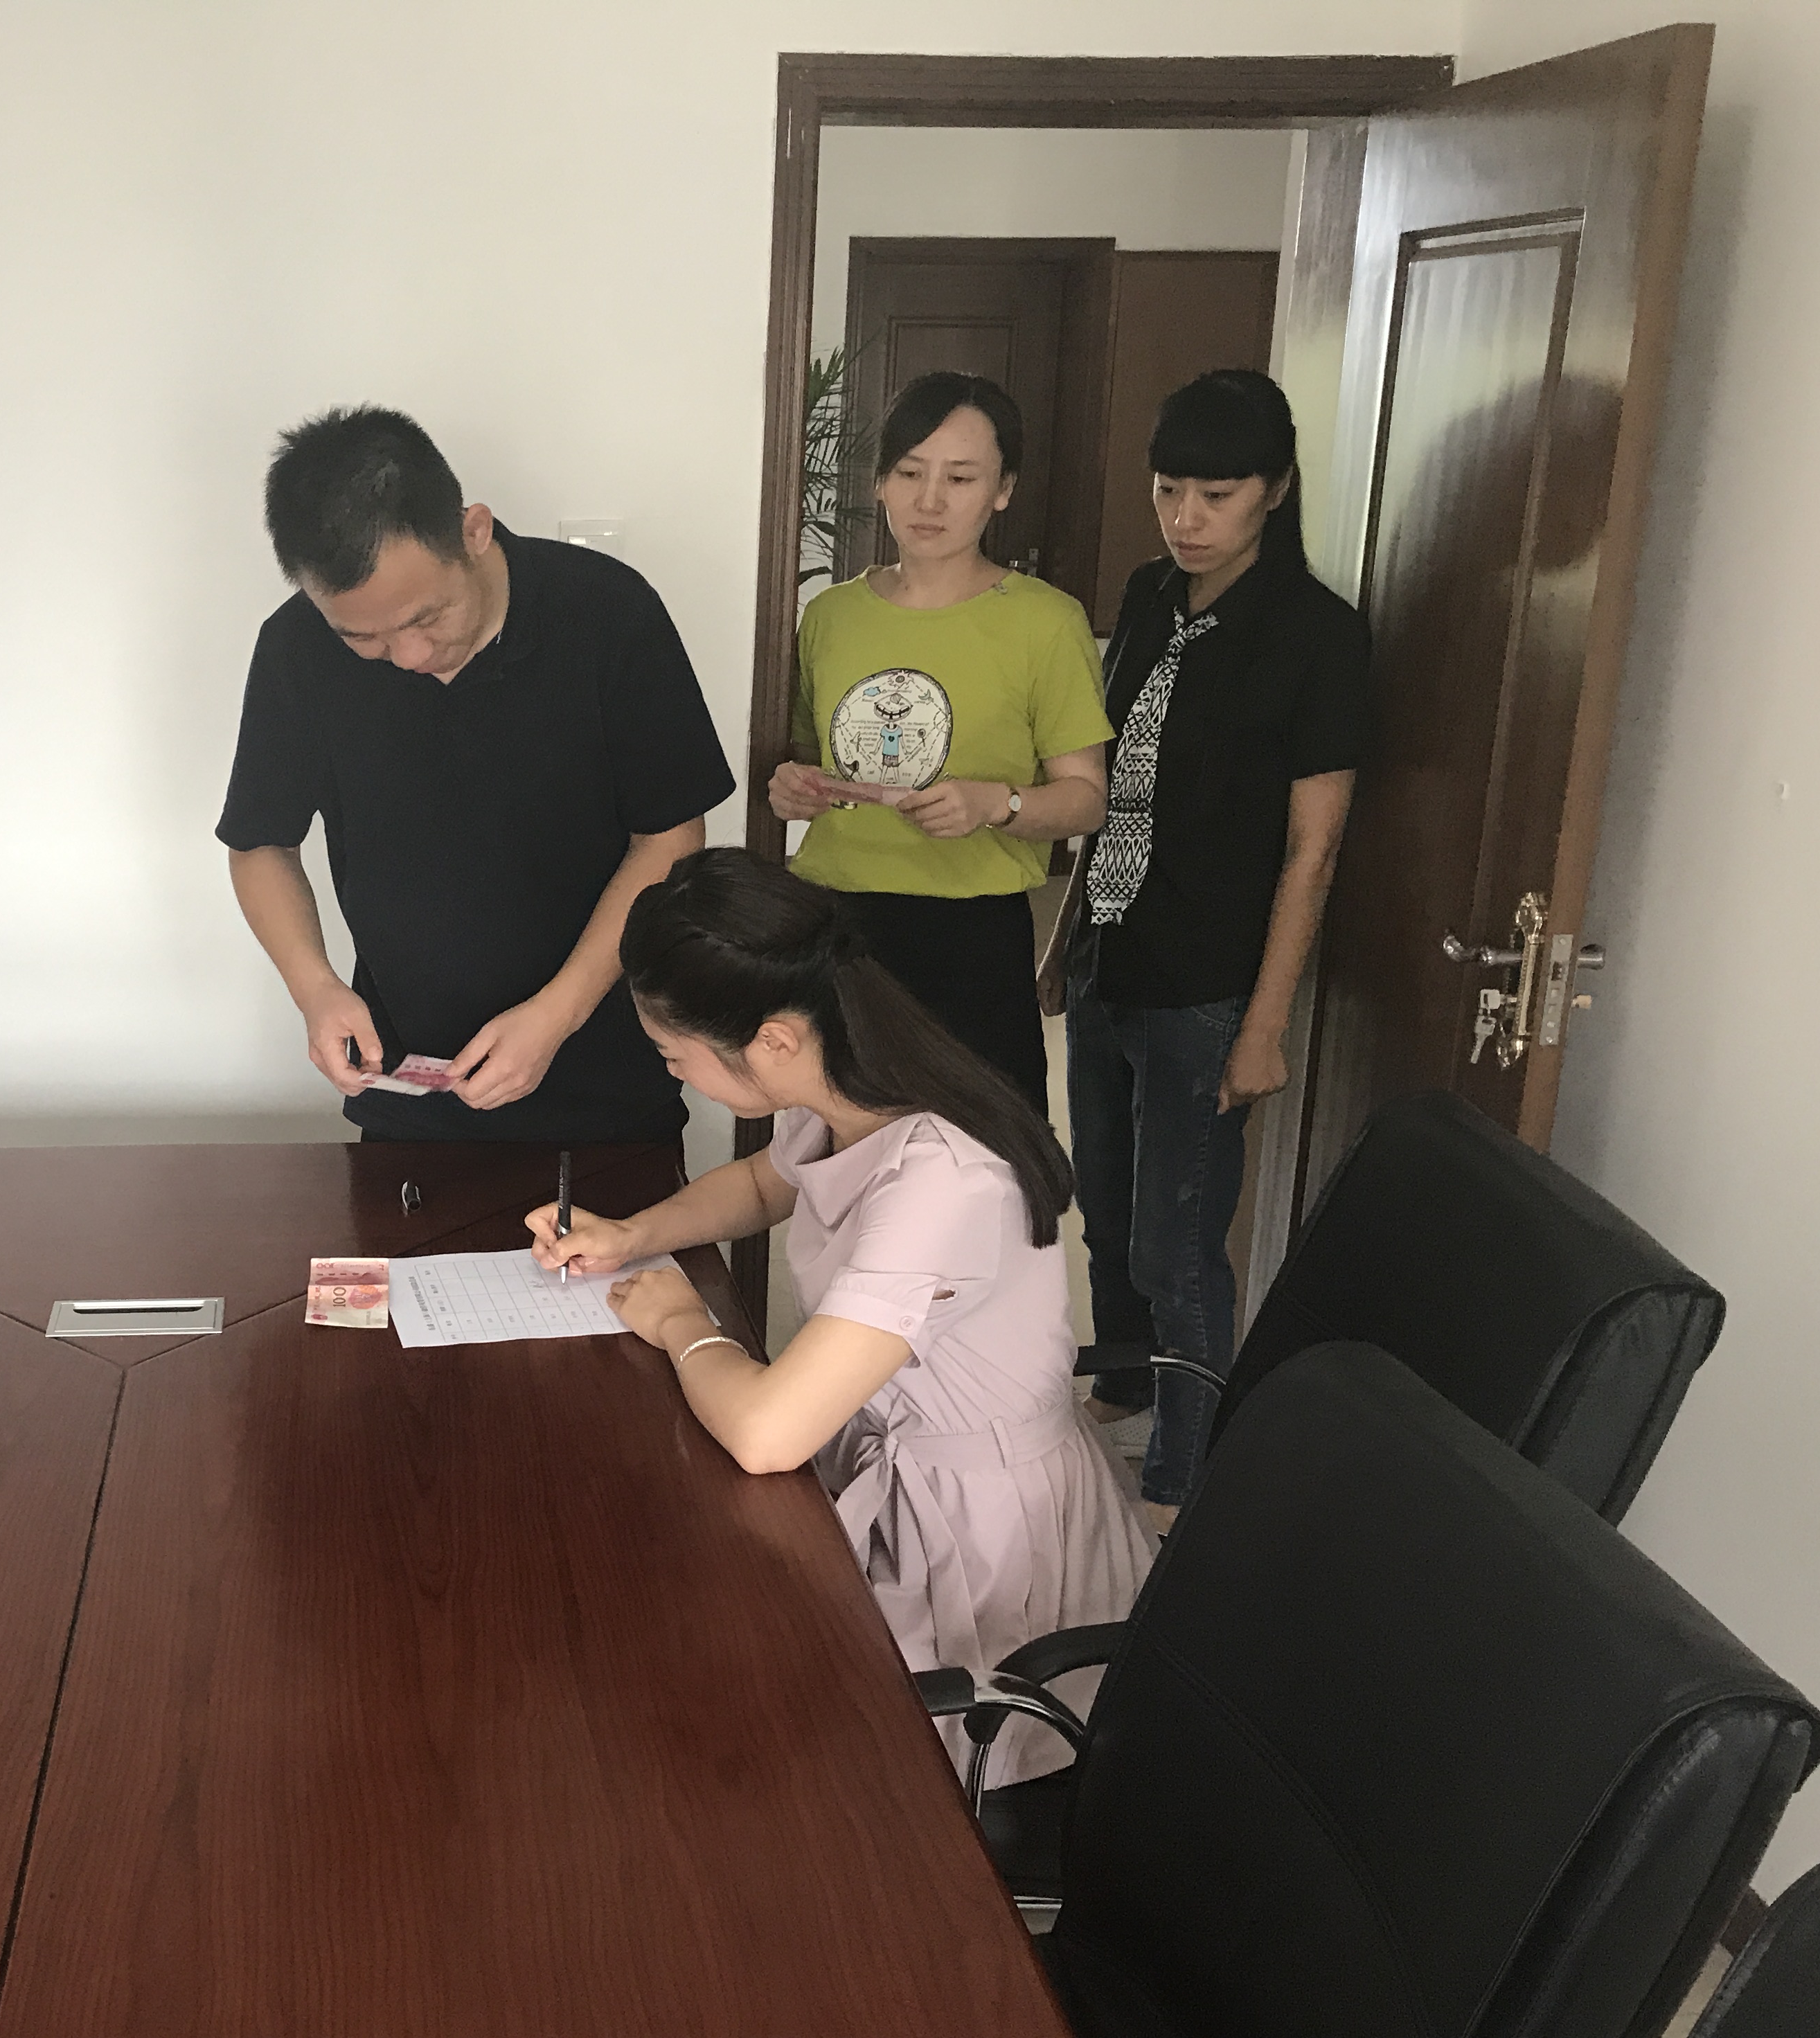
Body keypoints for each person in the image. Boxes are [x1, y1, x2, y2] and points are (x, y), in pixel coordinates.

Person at [531, 848, 1151, 1781]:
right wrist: (633, 1235)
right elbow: (764, 1184)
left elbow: (769, 1434)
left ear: (774, 1040)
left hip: (983, 1554)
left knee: (725, 1722)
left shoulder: (939, 1181)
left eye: (676, 1057)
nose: (677, 1075)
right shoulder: (847, 1086)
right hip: (894, 1474)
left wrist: (680, 1321)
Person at [219, 407, 733, 1143]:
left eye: (428, 618)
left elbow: (670, 834)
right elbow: (259, 843)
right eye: (362, 637)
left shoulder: (606, 612)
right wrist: (316, 989)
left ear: (474, 531)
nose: (409, 657)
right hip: (405, 1087)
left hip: (608, 1081)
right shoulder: (296, 648)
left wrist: (556, 1015)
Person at [1062, 369, 1371, 1528]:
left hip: (1206, 982)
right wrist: (1068, 936)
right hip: (1109, 949)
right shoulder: (1150, 593)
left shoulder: (1316, 635)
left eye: (1217, 494)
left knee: (1175, 1240)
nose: (1186, 518)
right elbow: (1109, 787)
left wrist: (1264, 1023)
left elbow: (1314, 849)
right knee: (1102, 1205)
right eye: (1168, 490)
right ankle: (1125, 1383)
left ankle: (1185, 1471)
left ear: (1274, 490)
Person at [767, 371, 1110, 1118]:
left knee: (983, 1153)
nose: (930, 500)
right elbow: (809, 758)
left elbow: (1086, 800)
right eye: (909, 473)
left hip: (971, 938)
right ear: (880, 481)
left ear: (1002, 490)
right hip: (837, 928)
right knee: (841, 1146)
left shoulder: (1045, 622)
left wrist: (999, 804)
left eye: (960, 478)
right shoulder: (830, 616)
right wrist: (792, 786)